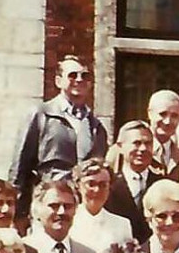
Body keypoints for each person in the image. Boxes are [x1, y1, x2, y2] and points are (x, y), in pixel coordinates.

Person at [9, 54, 109, 221]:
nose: (79, 80)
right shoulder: (41, 115)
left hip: (82, 210)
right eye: (72, 75)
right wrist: (18, 214)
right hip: (48, 204)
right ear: (58, 81)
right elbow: (20, 167)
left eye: (85, 76)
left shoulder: (96, 127)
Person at [105, 120, 166, 244]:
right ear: (120, 147)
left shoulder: (163, 185)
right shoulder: (108, 185)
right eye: (137, 143)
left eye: (148, 143)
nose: (143, 149)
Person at [69, 159, 134, 253]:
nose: (97, 190)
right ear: (78, 185)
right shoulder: (68, 221)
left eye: (103, 185)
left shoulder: (122, 224)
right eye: (91, 184)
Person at [145, 89, 179, 180]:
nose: (167, 121)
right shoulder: (128, 150)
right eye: (162, 114)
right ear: (150, 113)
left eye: (174, 116)